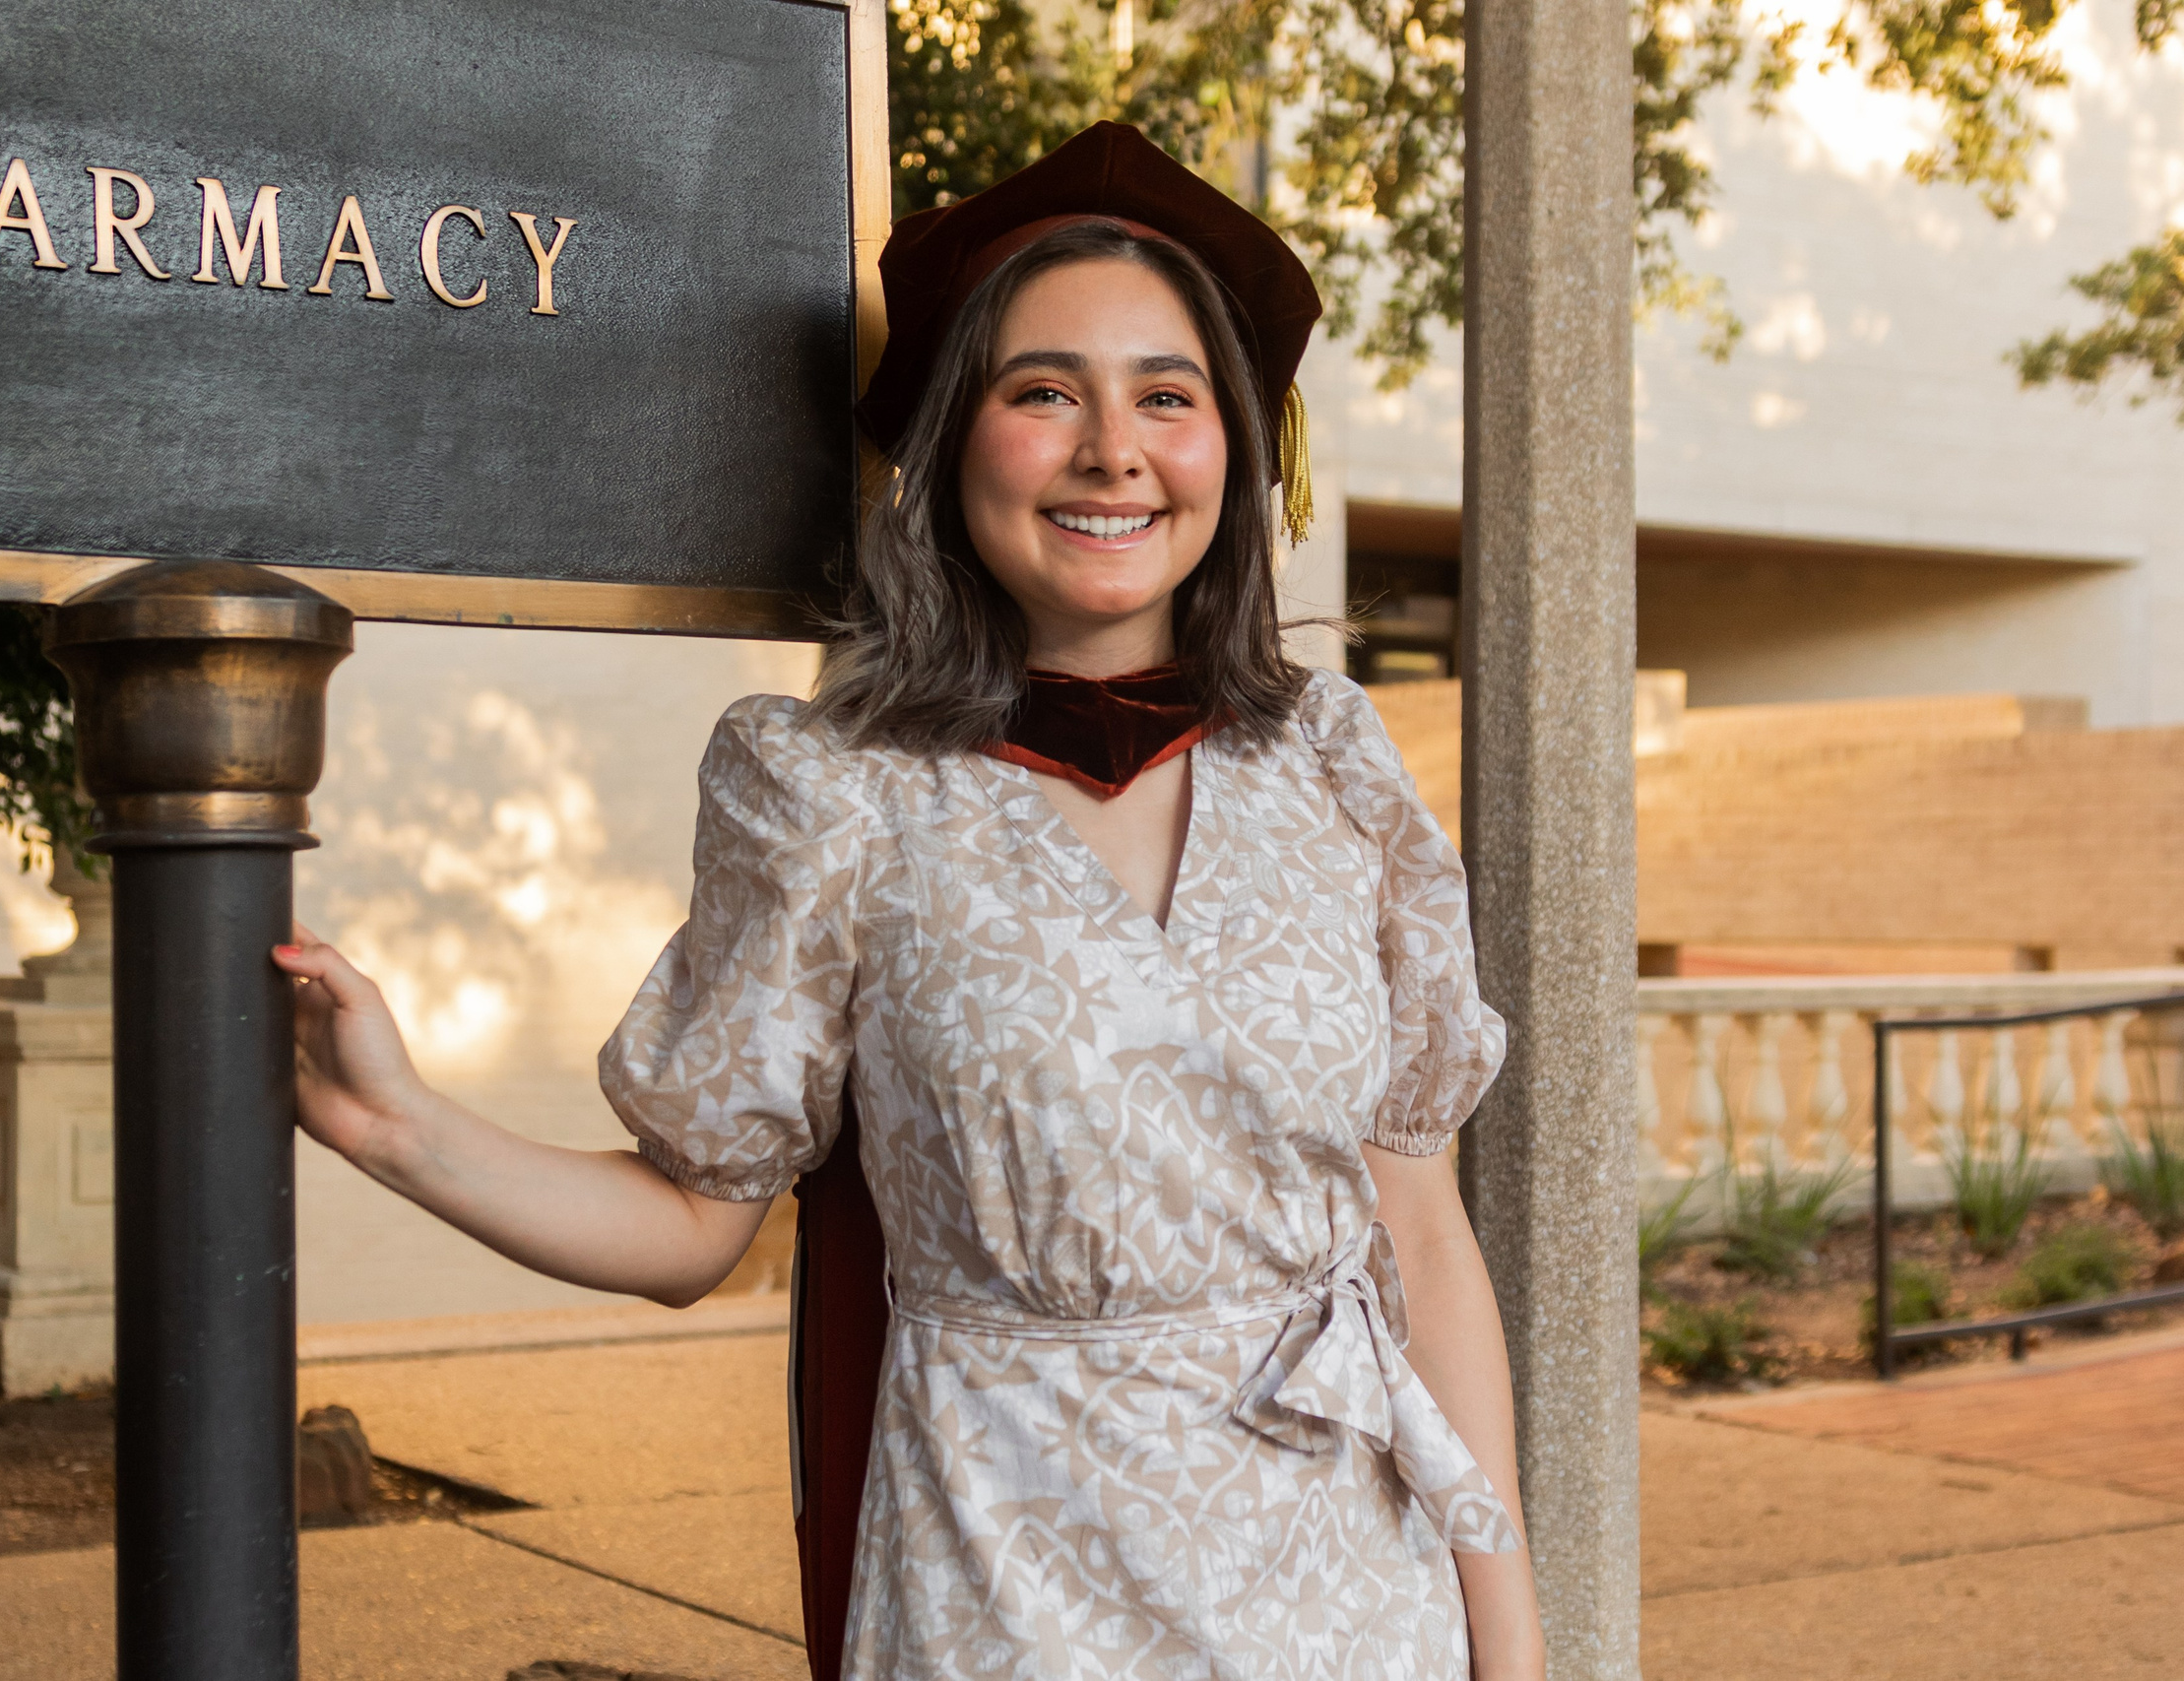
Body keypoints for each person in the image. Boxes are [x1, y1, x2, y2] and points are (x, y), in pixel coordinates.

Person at [275, 122, 1544, 1681]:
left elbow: (1421, 1234)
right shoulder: (837, 796)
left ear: (1235, 445)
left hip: (1351, 1598)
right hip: (1010, 1592)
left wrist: (1512, 1653)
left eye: (1168, 395)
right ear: (950, 448)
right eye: (1043, 392)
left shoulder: (1331, 766)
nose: (1113, 450)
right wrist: (400, 1127)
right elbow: (691, 1227)